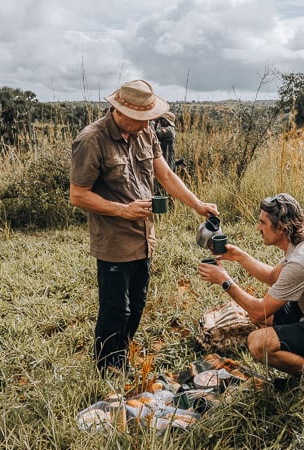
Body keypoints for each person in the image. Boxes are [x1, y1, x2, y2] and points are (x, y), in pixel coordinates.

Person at [69, 79, 218, 375]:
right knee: (115, 310)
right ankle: (106, 367)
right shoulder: (92, 140)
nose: (147, 123)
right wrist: (123, 210)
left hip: (144, 237)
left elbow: (165, 175)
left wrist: (198, 204)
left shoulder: (145, 132)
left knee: (136, 305)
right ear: (119, 111)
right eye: (142, 118)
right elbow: (78, 195)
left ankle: (120, 356)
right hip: (113, 241)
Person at [198, 193, 304, 396]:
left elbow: (259, 311)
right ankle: (303, 368)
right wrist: (239, 256)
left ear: (282, 227)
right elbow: (271, 276)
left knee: (258, 343)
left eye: (263, 223)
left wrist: (225, 281)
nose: (258, 228)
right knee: (268, 317)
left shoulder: (303, 260)